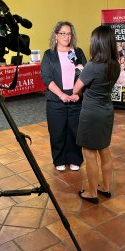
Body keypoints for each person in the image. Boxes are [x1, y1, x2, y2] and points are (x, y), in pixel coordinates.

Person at [71, 25, 120, 203]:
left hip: (91, 112)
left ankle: (91, 193)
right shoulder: (115, 65)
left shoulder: (92, 66)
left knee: (90, 152)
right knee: (104, 150)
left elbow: (76, 89)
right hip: (107, 110)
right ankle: (105, 187)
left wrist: (81, 72)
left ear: (97, 44)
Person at [41, 21, 87, 172]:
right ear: (56, 35)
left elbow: (85, 75)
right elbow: (47, 78)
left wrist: (77, 94)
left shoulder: (78, 53)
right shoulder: (49, 54)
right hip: (56, 99)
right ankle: (59, 159)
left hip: (76, 99)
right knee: (57, 131)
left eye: (69, 33)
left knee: (75, 131)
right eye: (63, 33)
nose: (66, 36)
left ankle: (75, 159)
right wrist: (61, 95)